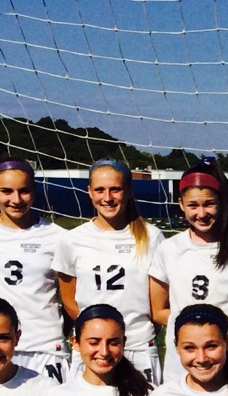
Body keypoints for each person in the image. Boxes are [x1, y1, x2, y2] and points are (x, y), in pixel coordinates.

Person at [149, 162, 228, 383]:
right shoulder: (168, 249)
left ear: (221, 202)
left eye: (209, 204)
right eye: (193, 205)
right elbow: (158, 311)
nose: (202, 213)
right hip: (185, 360)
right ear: (181, 204)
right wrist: (196, 328)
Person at [0, 157, 69, 382]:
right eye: (6, 191)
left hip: (47, 348)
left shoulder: (59, 237)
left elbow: (70, 302)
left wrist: (54, 331)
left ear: (34, 191)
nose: (16, 199)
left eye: (24, 191)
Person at [55, 158, 166, 384]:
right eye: (100, 190)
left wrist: (131, 332)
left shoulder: (152, 237)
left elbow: (159, 301)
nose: (107, 197)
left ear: (128, 191)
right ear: (89, 191)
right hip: (92, 349)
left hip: (137, 345)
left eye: (115, 189)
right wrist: (98, 332)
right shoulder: (72, 240)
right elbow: (69, 301)